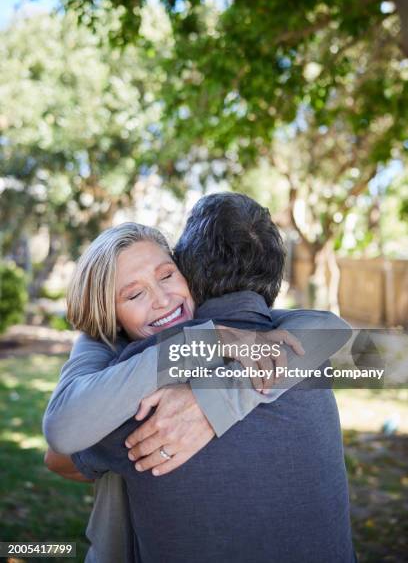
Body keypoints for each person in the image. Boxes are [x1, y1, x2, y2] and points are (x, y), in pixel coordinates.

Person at [44, 193, 355, 562]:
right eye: (135, 294)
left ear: (186, 270)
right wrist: (209, 340)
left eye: (166, 275)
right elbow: (60, 444)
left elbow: (330, 328)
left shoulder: (269, 339)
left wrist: (212, 401)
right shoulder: (138, 384)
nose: (161, 299)